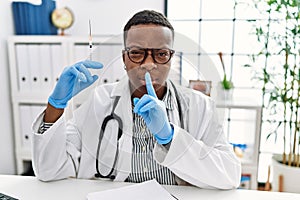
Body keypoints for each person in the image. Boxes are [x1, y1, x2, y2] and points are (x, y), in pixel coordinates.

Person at [32, 10, 241, 189]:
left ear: (171, 59)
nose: (149, 64)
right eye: (137, 53)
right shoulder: (99, 101)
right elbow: (49, 170)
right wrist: (56, 105)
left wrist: (169, 138)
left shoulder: (199, 106)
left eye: (160, 54)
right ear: (124, 58)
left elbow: (230, 175)